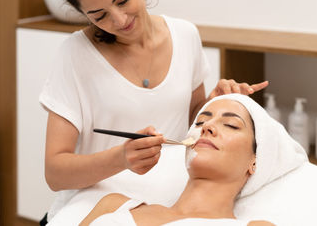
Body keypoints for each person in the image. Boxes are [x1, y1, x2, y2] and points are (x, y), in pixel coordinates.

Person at [40, 0, 268, 221]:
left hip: (164, 203)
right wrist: (121, 159)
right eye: (100, 16)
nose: (120, 19)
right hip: (94, 206)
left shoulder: (185, 36)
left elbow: (191, 119)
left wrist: (212, 106)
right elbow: (55, 174)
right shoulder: (75, 55)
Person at [79, 95, 275, 226]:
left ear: (254, 161)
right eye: (200, 122)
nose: (207, 127)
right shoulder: (114, 206)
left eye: (231, 125)